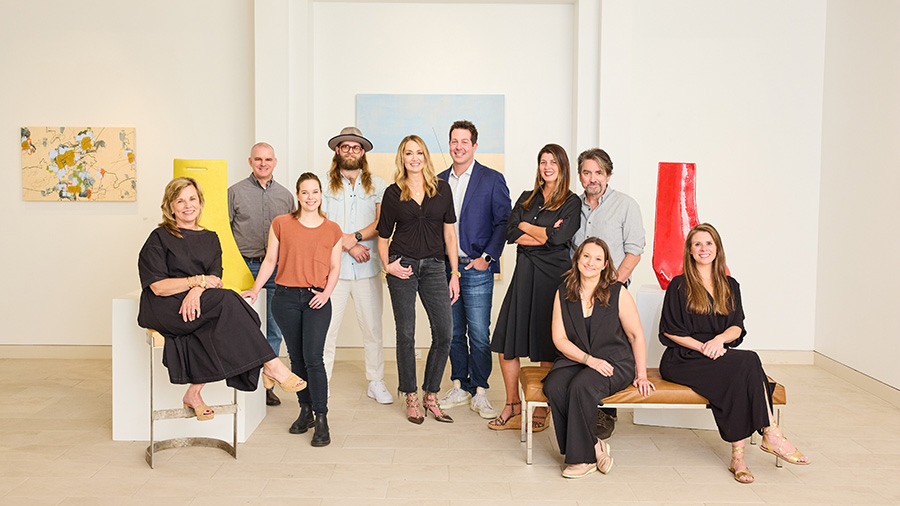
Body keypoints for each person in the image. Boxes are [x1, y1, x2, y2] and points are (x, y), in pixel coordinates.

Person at [138, 177, 306, 422]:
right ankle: (271, 365)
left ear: (200, 202)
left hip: (197, 305)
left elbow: (215, 279)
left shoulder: (210, 238)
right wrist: (197, 282)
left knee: (230, 314)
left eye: (192, 199)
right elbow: (158, 287)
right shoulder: (159, 237)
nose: (188, 205)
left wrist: (198, 289)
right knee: (231, 305)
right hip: (166, 307)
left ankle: (194, 394)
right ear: (170, 206)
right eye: (180, 200)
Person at [659, 223, 810, 483]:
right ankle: (770, 433)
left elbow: (736, 326)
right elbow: (670, 331)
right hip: (683, 356)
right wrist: (704, 347)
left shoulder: (730, 284)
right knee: (747, 362)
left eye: (709, 243)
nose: (703, 248)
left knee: (743, 368)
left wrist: (718, 341)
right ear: (690, 251)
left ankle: (740, 457)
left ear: (717, 249)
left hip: (718, 354)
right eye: (697, 244)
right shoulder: (679, 284)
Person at [242, 173, 342, 447]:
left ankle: (322, 418)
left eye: (315, 192)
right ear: (297, 195)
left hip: (316, 299)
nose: (310, 197)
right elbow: (271, 259)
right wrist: (255, 288)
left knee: (314, 358)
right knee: (296, 358)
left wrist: (326, 293)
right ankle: (305, 410)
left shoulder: (332, 229)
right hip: (285, 297)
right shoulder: (282, 224)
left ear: (321, 195)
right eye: (305, 192)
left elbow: (335, 268)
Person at [543, 238, 654, 478]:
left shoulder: (618, 292)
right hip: (578, 359)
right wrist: (588, 360)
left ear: (605, 265)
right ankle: (594, 446)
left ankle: (582, 459)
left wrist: (642, 374)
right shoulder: (563, 292)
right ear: (577, 259)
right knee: (555, 386)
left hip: (614, 362)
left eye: (597, 259)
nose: (590, 262)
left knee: (582, 387)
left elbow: (635, 335)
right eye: (586, 256)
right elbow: (559, 339)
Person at [489, 143, 581, 432]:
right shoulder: (527, 198)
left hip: (554, 279)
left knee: (546, 346)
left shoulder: (571, 201)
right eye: (543, 161)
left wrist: (531, 229)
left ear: (562, 167)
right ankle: (512, 404)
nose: (547, 166)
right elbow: (510, 232)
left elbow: (560, 237)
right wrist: (543, 232)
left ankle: (540, 407)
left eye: (553, 161)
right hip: (525, 275)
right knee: (506, 342)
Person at [377, 134, 460, 424]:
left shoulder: (443, 190)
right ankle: (410, 395)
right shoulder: (392, 193)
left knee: (445, 332)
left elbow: (450, 234)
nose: (414, 158)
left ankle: (431, 395)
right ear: (402, 158)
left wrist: (455, 273)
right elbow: (383, 237)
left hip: (436, 267)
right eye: (408, 153)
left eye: (419, 153)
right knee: (407, 334)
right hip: (404, 266)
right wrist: (389, 267)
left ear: (425, 157)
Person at [437, 120, 511, 418]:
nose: (458, 146)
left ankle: (480, 390)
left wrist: (488, 258)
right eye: (454, 141)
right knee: (453, 331)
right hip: (445, 269)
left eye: (464, 141)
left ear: (474, 146)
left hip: (477, 266)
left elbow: (503, 222)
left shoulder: (492, 179)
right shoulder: (438, 181)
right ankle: (459, 384)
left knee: (479, 333)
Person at [571, 148, 646, 438]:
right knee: (584, 349)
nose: (592, 178)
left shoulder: (625, 205)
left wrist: (612, 288)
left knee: (608, 349)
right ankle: (580, 404)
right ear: (580, 176)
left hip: (610, 292)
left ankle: (605, 413)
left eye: (598, 172)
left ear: (608, 175)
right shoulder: (572, 206)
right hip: (578, 292)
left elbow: (634, 249)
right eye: (587, 172)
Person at [321, 126, 392, 404]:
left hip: (368, 269)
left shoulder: (379, 184)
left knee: (373, 330)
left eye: (356, 147)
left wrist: (357, 237)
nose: (351, 151)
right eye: (345, 147)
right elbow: (321, 224)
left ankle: (376, 381)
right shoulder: (323, 186)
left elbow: (382, 223)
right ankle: (321, 382)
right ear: (337, 151)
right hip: (333, 273)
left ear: (363, 152)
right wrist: (349, 244)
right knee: (326, 330)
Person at [228, 142, 296, 406]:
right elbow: (224, 230)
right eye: (258, 159)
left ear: (275, 162)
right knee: (243, 326)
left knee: (274, 328)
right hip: (244, 266)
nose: (263, 164)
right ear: (250, 161)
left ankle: (268, 383)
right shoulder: (234, 193)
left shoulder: (287, 196)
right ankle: (243, 377)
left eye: (268, 159)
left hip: (277, 269)